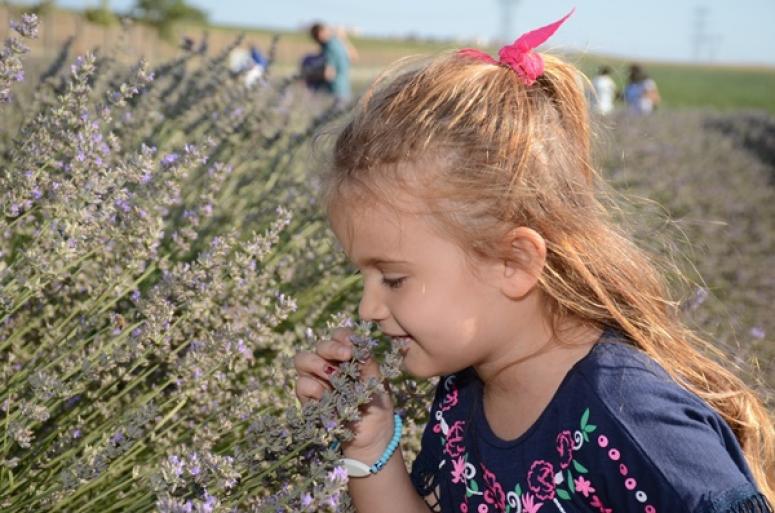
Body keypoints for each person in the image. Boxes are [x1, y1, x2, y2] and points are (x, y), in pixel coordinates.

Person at [293, 10, 774, 513]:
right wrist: (370, 446)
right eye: (363, 276)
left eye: (392, 278)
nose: (368, 307)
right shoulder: (465, 390)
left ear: (514, 263)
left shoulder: (634, 420)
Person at [309, 22, 357, 105]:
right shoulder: (339, 42)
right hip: (345, 90)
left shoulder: (329, 47)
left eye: (315, 37)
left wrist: (310, 76)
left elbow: (329, 74)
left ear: (320, 34)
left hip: (334, 93)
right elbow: (354, 57)